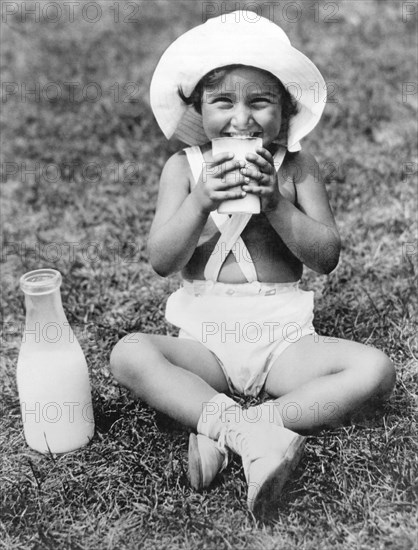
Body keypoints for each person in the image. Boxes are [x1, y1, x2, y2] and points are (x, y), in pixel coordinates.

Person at [110, 11, 395, 516]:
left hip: (283, 339)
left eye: (259, 102)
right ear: (199, 108)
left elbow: (326, 256)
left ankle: (242, 426)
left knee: (375, 369)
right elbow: (161, 260)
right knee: (128, 354)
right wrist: (199, 202)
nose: (242, 119)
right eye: (223, 101)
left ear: (284, 109)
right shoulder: (183, 168)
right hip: (205, 340)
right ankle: (244, 433)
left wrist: (278, 206)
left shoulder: (296, 167)